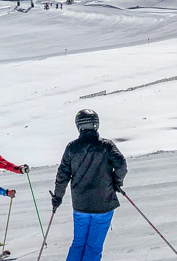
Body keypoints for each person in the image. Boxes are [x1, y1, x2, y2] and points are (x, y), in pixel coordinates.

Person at [51, 109, 127, 261]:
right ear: (96, 125)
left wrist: (58, 197)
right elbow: (121, 165)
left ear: (78, 126)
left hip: (81, 205)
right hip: (103, 204)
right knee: (93, 246)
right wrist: (116, 182)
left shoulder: (72, 147)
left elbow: (62, 175)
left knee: (78, 243)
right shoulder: (106, 146)